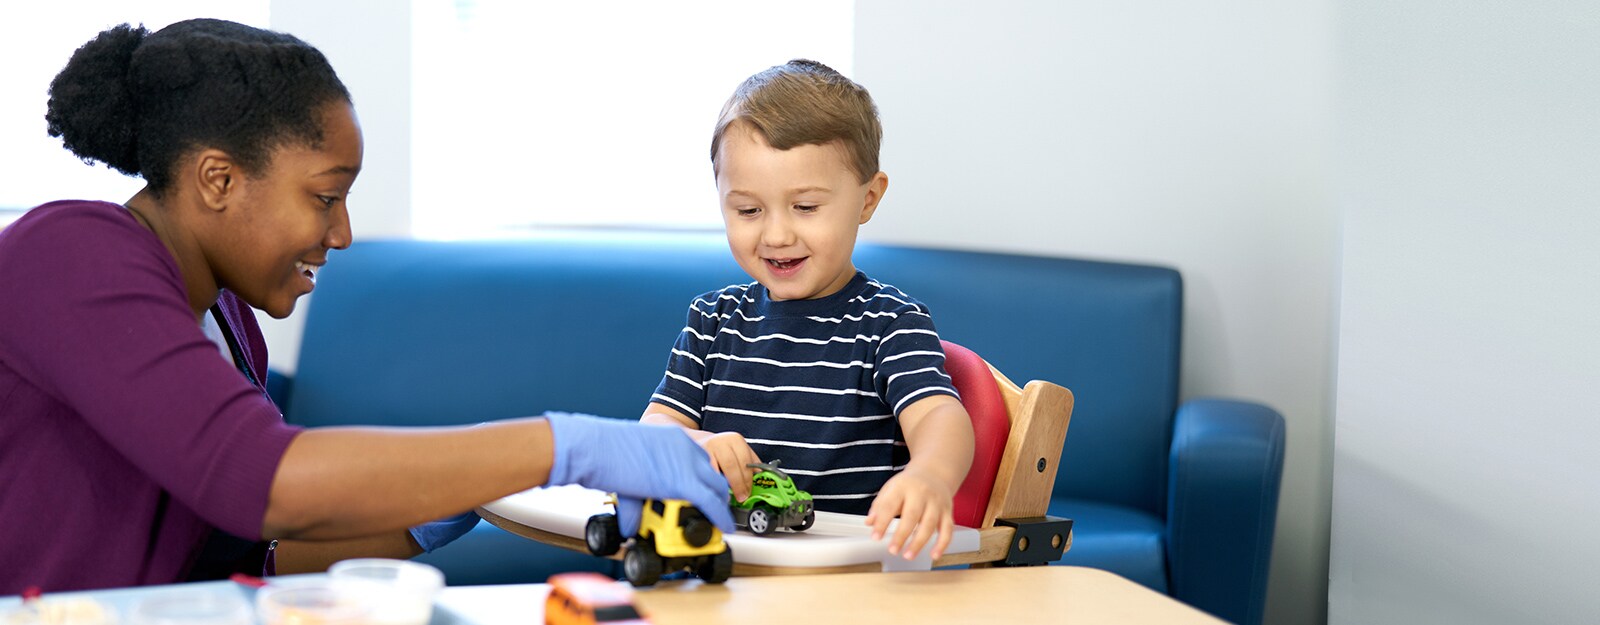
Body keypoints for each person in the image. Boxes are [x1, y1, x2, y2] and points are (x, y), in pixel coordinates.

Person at [0, 19, 731, 594]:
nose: (343, 233)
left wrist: (445, 503)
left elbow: (254, 555)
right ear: (217, 178)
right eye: (325, 196)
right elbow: (262, 478)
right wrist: (565, 444)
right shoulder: (70, 252)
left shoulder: (232, 325)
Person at [640, 60, 976, 561]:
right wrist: (690, 446)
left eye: (806, 207)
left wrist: (928, 473)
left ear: (868, 199)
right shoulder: (711, 321)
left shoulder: (889, 324)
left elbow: (939, 416)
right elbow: (655, 427)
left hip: (841, 582)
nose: (776, 235)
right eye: (748, 210)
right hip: (712, 566)